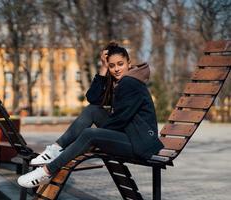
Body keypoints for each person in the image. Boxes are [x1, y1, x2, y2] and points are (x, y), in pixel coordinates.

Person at [17, 42, 164, 188]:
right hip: (130, 134)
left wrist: (97, 137)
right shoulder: (121, 82)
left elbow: (121, 119)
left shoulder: (130, 83)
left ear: (129, 63)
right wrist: (103, 68)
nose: (116, 69)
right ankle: (56, 148)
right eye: (112, 66)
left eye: (120, 64)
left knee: (90, 135)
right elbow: (93, 98)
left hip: (141, 143)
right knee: (93, 110)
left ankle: (47, 172)